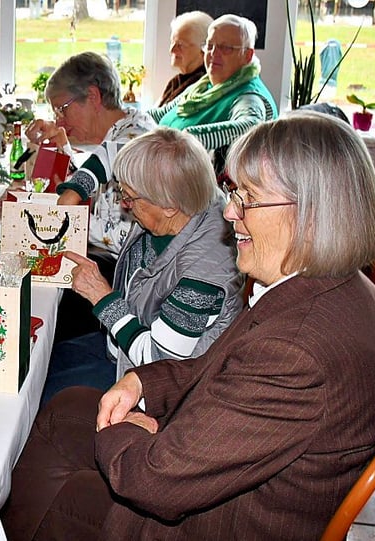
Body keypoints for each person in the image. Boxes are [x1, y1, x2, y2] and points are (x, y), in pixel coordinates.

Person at [2, 111, 375, 541]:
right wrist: (142, 384)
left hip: (224, 521)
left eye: (247, 197)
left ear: (309, 214)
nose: (229, 211)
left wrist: (125, 426)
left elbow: (153, 481)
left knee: (74, 493)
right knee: (68, 408)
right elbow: (208, 364)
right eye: (233, 191)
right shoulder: (327, 284)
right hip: (217, 456)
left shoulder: (296, 351)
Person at [42, 128, 242, 402]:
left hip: (143, 384)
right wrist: (75, 190)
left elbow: (158, 364)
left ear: (169, 205)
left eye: (130, 197)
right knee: (39, 359)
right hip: (118, 345)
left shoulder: (202, 279)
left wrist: (102, 298)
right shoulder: (187, 192)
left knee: (44, 396)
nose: (124, 205)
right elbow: (111, 152)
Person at [23, 51, 155, 341]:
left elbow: (119, 235)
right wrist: (66, 153)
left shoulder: (135, 143)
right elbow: (102, 194)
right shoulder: (126, 129)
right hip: (117, 263)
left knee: (35, 285)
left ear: (93, 96)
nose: (60, 119)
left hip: (128, 278)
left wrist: (47, 222)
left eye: (63, 108)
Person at [149, 14, 277, 168]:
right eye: (210, 46)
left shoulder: (249, 95)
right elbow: (160, 114)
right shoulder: (203, 86)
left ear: (247, 55)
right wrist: (125, 117)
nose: (213, 54)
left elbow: (251, 125)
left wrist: (185, 139)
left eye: (225, 48)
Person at [158, 11, 212, 106]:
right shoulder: (175, 82)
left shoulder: (201, 87)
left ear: (204, 49)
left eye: (180, 45)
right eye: (172, 42)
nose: (172, 50)